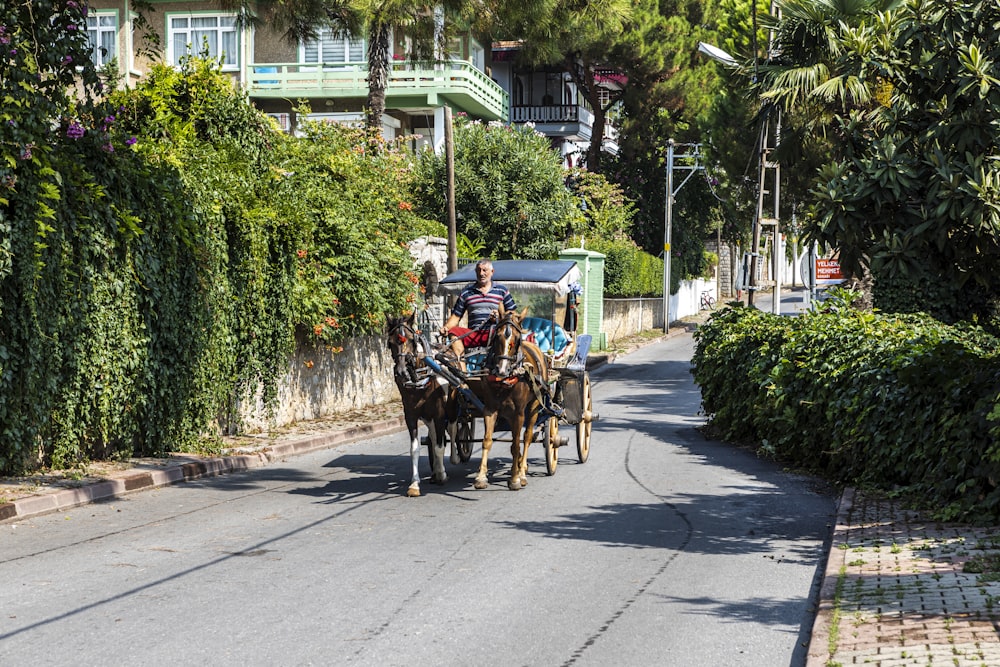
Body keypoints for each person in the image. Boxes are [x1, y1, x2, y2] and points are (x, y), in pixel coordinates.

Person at [440, 259, 516, 369]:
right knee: (453, 332)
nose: (481, 273)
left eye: (484, 270)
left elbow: (512, 314)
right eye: (478, 270)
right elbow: (456, 316)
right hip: (475, 333)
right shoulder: (467, 292)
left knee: (507, 336)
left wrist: (499, 317)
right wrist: (446, 327)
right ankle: (462, 371)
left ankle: (506, 367)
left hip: (496, 333)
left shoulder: (502, 290)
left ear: (492, 272)